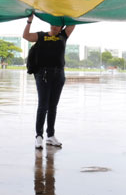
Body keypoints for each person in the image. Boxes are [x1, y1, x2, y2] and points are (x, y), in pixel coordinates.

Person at [23, 14, 75, 150]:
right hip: (43, 75)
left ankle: (50, 135)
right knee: (43, 106)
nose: (54, 27)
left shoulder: (63, 36)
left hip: (59, 75)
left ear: (61, 27)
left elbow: (73, 21)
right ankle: (39, 136)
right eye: (53, 24)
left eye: (57, 25)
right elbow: (26, 36)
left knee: (53, 107)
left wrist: (65, 12)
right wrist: (29, 21)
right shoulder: (41, 36)